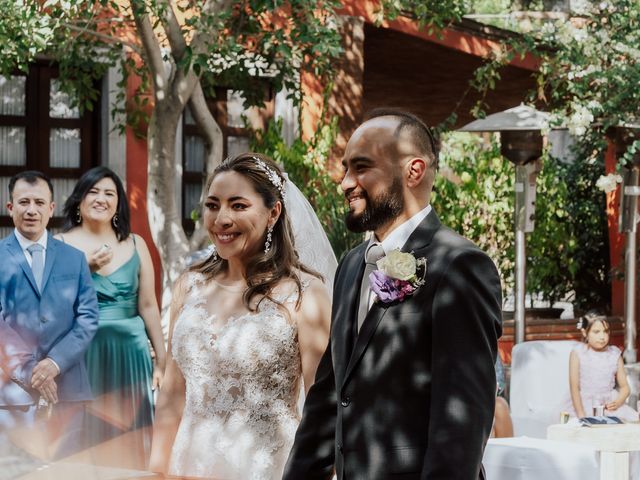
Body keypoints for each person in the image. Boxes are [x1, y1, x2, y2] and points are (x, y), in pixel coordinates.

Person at [284, 109, 503, 480]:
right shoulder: (352, 266)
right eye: (345, 168)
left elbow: (461, 422)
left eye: (361, 167)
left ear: (413, 171)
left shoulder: (461, 266)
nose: (345, 182)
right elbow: (329, 396)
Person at [149, 153, 334, 479]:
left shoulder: (305, 293)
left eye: (238, 205)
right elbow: (173, 392)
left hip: (266, 468)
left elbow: (322, 404)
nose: (221, 218)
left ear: (273, 212)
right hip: (188, 465)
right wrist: (156, 469)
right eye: (212, 205)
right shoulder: (188, 285)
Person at [56, 166, 166, 468]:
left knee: (129, 438)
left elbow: (148, 306)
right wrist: (84, 271)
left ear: (118, 203)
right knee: (82, 436)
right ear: (79, 200)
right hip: (82, 355)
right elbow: (52, 310)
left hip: (131, 354)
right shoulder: (60, 245)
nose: (101, 199)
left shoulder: (136, 243)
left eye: (109, 193)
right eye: (93, 191)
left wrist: (162, 361)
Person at [0, 170, 98, 459]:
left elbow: (88, 317)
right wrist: (30, 370)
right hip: (13, 395)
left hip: (68, 389)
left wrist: (54, 363)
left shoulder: (74, 258)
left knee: (65, 472)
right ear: (10, 208)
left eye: (40, 202)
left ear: (51, 208)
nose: (32, 210)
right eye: (24, 202)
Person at [567, 310, 638, 421]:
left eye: (605, 331)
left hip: (608, 405)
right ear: (585, 333)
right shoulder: (578, 353)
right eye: (596, 332)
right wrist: (581, 416)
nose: (602, 336)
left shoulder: (614, 354)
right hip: (583, 405)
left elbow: (625, 387)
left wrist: (618, 402)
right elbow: (574, 387)